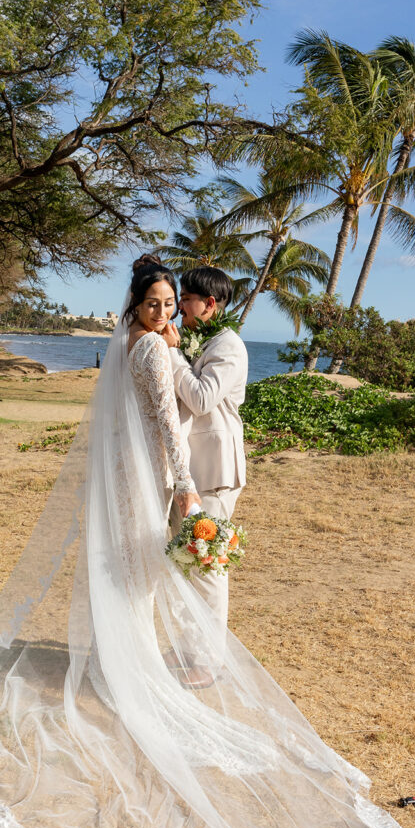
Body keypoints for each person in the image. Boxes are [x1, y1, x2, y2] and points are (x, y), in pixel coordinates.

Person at [0, 254, 409, 828]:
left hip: (147, 479)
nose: (169, 310)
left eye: (175, 302)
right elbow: (164, 420)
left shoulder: (152, 344)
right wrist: (182, 485)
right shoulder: (156, 349)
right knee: (142, 573)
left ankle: (147, 658)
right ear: (138, 303)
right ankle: (134, 666)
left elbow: (175, 410)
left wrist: (180, 462)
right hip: (155, 480)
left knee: (138, 572)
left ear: (197, 305)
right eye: (161, 301)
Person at [163, 267, 248, 688]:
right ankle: (187, 648)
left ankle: (209, 660)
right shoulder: (203, 339)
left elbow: (200, 398)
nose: (180, 306)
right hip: (188, 472)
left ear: (210, 304)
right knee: (184, 563)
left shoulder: (228, 346)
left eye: (187, 299)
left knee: (208, 566)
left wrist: (175, 354)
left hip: (214, 472)